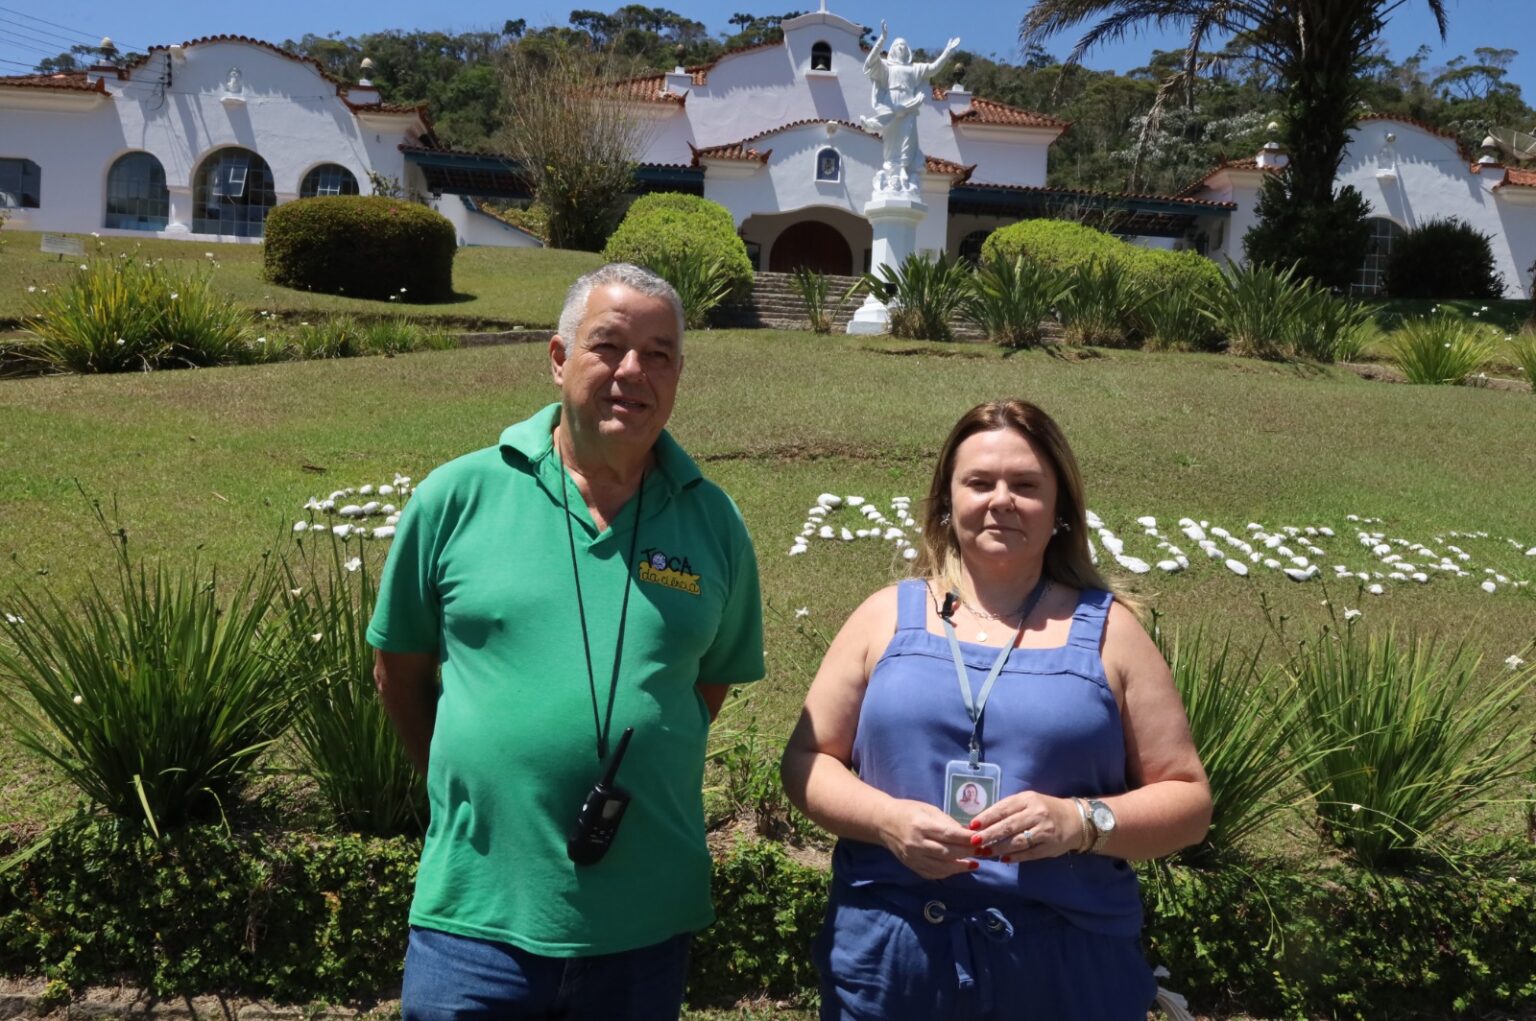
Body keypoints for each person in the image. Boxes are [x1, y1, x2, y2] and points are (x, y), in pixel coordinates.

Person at [368, 263, 766, 1021]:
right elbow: (400, 669)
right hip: (477, 919)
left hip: (644, 928)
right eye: (607, 345)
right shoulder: (456, 497)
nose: (632, 371)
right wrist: (470, 778)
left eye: (658, 354)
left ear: (678, 375)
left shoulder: (714, 522)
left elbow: (703, 685)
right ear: (559, 358)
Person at [781, 399, 1210, 1021]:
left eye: (1026, 486)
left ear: (1060, 510)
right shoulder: (883, 616)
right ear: (946, 502)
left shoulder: (1112, 633)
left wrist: (1079, 821)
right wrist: (885, 820)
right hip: (891, 963)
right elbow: (806, 759)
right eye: (979, 482)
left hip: (1064, 971)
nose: (1001, 500)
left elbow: (1189, 802)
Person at [861, 20, 960, 193]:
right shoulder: (886, 67)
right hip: (891, 106)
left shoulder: (914, 69)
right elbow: (870, 62)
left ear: (907, 50)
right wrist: (882, 39)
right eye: (897, 45)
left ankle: (903, 169)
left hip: (909, 108)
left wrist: (947, 52)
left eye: (903, 45)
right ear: (892, 49)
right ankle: (891, 172)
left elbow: (933, 68)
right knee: (891, 142)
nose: (900, 47)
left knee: (907, 140)